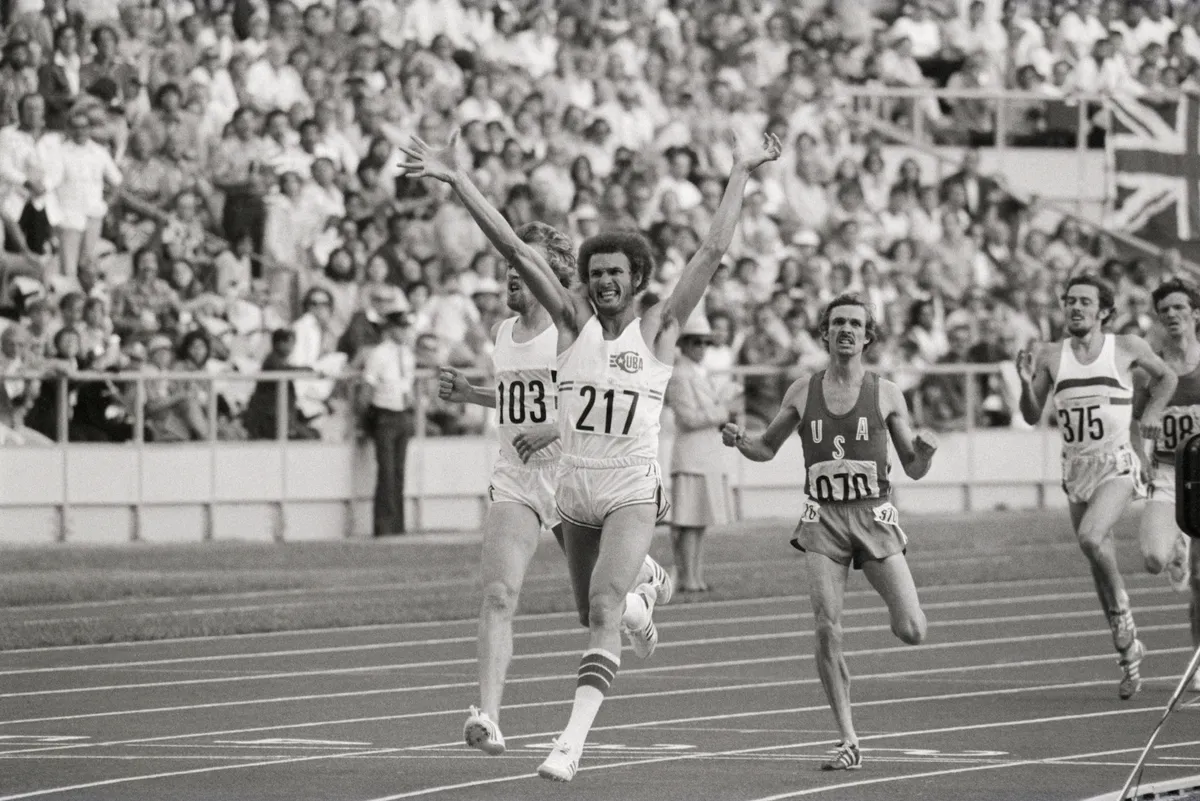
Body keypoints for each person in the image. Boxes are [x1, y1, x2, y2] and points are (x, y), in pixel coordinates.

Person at [396, 127, 782, 782]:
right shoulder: (571, 322)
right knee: (593, 607)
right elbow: (514, 246)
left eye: (616, 273)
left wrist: (741, 172)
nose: (604, 281)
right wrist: (458, 180)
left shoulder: (659, 326)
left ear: (637, 279)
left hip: (632, 488)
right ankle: (647, 587)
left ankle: (570, 741)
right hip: (575, 492)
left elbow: (713, 249)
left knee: (600, 608)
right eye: (595, 272)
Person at [436, 221, 673, 757]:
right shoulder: (503, 334)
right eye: (510, 268)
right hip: (517, 480)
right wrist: (473, 394)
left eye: (527, 266)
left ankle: (642, 586)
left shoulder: (576, 328)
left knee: (594, 613)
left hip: (575, 475)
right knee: (498, 592)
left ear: (557, 273)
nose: (514, 274)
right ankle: (489, 716)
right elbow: (519, 403)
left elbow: (595, 401)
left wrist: (556, 427)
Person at [721, 293, 938, 772]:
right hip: (822, 519)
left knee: (912, 630)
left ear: (867, 336)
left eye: (854, 324)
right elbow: (766, 449)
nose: (845, 330)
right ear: (824, 334)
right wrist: (742, 442)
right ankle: (847, 737)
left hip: (873, 515)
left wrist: (926, 451)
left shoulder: (885, 392)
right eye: (837, 323)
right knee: (826, 626)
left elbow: (914, 468)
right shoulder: (802, 391)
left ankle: (892, 618)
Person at [1016, 273, 1178, 700]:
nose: (1075, 307)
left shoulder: (1126, 347)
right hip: (1075, 471)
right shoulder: (1051, 354)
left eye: (1085, 301)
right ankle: (1129, 656)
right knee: (1097, 560)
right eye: (1070, 300)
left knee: (1091, 538)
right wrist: (1023, 381)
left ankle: (1124, 614)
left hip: (1118, 464)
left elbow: (1167, 379)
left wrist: (1154, 413)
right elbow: (1032, 415)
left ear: (1104, 311)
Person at [1134, 278, 1200, 692]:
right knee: (1154, 558)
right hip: (1166, 475)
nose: (1172, 316)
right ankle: (1177, 545)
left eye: (1179, 308)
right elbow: (1133, 417)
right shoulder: (1152, 368)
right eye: (1164, 311)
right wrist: (1138, 451)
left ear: (1196, 314)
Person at [665, 306, 740, 592]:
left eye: (705, 342)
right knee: (687, 523)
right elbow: (688, 418)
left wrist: (721, 407)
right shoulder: (680, 374)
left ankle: (694, 576)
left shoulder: (698, 372)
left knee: (698, 523)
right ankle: (687, 577)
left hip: (703, 456)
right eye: (696, 342)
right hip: (691, 456)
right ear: (684, 344)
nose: (702, 347)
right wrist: (724, 410)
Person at [361, 309, 416, 537]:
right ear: (390, 329)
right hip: (384, 413)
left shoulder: (407, 354)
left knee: (398, 472)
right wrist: (364, 420)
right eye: (400, 328)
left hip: (402, 412)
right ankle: (384, 526)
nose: (404, 332)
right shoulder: (379, 354)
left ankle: (397, 525)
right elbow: (368, 387)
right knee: (387, 472)